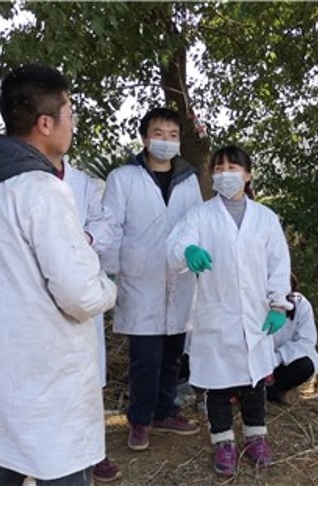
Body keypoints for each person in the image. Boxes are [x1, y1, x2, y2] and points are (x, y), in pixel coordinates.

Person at [0, 64, 117, 487]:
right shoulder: (40, 189)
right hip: (47, 375)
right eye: (70, 113)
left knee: (3, 463)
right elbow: (79, 294)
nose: (72, 124)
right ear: (46, 123)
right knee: (60, 479)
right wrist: (108, 289)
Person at [169, 145, 291, 478]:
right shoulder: (200, 215)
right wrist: (188, 251)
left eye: (233, 167)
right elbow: (174, 246)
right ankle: (223, 442)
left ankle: (256, 437)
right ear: (211, 176)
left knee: (253, 381)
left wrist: (279, 303)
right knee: (217, 383)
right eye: (219, 168)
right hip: (215, 313)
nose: (226, 174)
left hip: (255, 315)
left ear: (248, 174)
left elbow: (278, 264)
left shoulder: (265, 218)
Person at [103, 107, 205, 452]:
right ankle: (140, 420)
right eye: (158, 134)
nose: (165, 141)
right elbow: (111, 228)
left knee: (173, 355)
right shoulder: (123, 178)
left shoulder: (188, 179)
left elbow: (197, 224)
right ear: (145, 138)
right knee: (145, 358)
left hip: (179, 277)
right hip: (139, 278)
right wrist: (109, 274)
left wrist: (196, 253)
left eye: (173, 135)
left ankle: (165, 411)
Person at [63, 155, 122, 484]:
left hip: (83, 285)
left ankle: (95, 452)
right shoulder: (19, 183)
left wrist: (84, 239)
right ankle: (59, 456)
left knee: (89, 375)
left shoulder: (81, 182)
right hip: (37, 298)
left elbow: (105, 224)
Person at [268, 287, 318, 406]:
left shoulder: (300, 304)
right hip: (257, 362)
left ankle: (268, 392)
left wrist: (278, 358)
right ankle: (271, 394)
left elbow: (306, 341)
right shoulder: (253, 304)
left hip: (284, 363)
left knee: (305, 366)